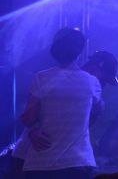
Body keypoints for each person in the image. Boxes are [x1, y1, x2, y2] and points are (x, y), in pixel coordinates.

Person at [11, 51, 118, 177]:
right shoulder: (57, 81)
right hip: (32, 158)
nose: (103, 85)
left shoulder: (92, 96)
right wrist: (32, 131)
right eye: (104, 80)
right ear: (95, 68)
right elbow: (28, 117)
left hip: (59, 163)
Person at [20, 28, 104, 179]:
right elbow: (98, 110)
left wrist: (33, 131)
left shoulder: (42, 78)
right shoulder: (92, 82)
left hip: (42, 162)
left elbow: (28, 118)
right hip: (78, 162)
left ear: (55, 49)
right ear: (79, 51)